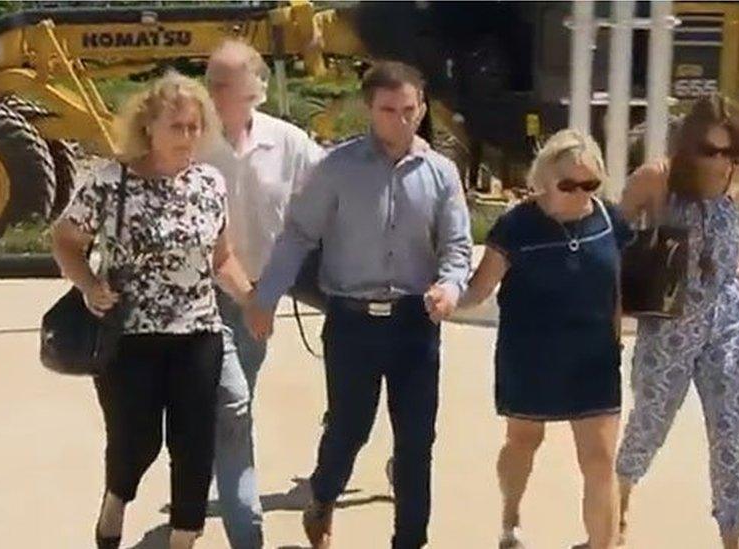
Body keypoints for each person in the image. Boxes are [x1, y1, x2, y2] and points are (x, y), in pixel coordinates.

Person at [244, 60, 473, 549]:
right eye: (389, 110)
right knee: (349, 430)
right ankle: (322, 496)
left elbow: (456, 247)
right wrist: (265, 296)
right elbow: (298, 235)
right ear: (369, 109)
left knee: (416, 444)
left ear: (422, 107)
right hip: (351, 323)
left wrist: (450, 288)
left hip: (416, 323)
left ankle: (409, 541)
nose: (401, 120)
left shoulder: (441, 174)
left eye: (410, 109)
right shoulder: (336, 169)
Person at [51, 71, 252, 549]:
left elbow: (221, 258)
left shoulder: (209, 183)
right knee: (137, 441)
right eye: (176, 127)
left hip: (198, 332)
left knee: (194, 443)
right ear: (148, 129)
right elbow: (65, 240)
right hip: (129, 336)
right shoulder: (110, 181)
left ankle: (184, 537)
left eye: (194, 127)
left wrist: (253, 299)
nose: (188, 137)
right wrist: (88, 284)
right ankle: (116, 498)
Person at [459, 129, 632, 549]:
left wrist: (620, 335)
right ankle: (510, 517)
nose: (580, 193)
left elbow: (622, 290)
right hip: (530, 354)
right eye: (568, 184)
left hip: (594, 357)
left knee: (600, 461)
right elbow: (480, 288)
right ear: (543, 180)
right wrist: (442, 299)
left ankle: (600, 544)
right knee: (523, 442)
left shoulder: (609, 220)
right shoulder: (517, 225)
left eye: (589, 184)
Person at [614, 94, 739, 549]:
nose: (719, 160)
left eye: (728, 150)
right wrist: (614, 314)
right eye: (709, 150)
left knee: (730, 429)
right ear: (688, 145)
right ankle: (619, 502)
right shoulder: (656, 180)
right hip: (671, 318)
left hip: (726, 318)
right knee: (650, 419)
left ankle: (732, 534)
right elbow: (613, 244)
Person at [199, 39, 324, 549]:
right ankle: (244, 526)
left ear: (256, 88)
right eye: (211, 80)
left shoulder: (288, 143)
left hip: (260, 297)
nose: (215, 91)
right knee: (232, 405)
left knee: (233, 401)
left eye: (225, 82)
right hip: (200, 297)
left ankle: (216, 483)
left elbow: (333, 190)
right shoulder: (192, 138)